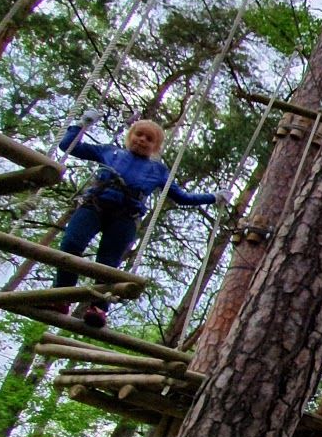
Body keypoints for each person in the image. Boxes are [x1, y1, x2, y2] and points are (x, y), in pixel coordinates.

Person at [53, 114, 215, 328]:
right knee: (71, 245)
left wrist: (214, 197)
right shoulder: (110, 152)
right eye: (139, 135)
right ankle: (61, 297)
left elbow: (181, 197)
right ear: (131, 136)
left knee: (108, 264)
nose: (142, 140)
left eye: (149, 139)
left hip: (125, 217)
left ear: (155, 147)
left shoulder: (158, 170)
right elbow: (69, 146)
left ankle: (98, 308)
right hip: (95, 205)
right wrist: (81, 125)